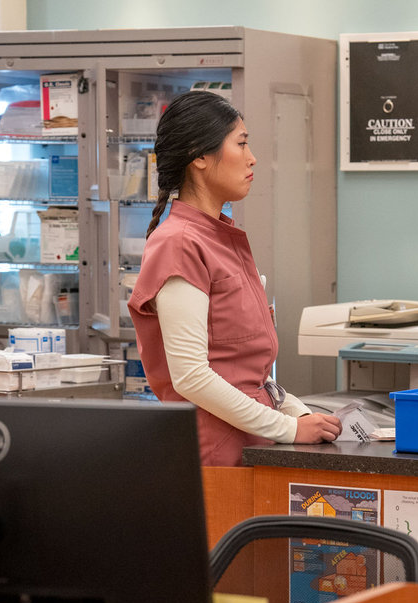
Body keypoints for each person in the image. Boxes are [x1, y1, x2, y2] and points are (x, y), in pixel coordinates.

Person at [128, 91, 341, 465]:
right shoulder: (179, 243)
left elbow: (247, 375)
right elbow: (191, 376)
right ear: (199, 155)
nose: (252, 157)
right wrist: (290, 429)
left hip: (251, 447)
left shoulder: (219, 237)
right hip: (216, 459)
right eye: (241, 143)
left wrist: (296, 411)